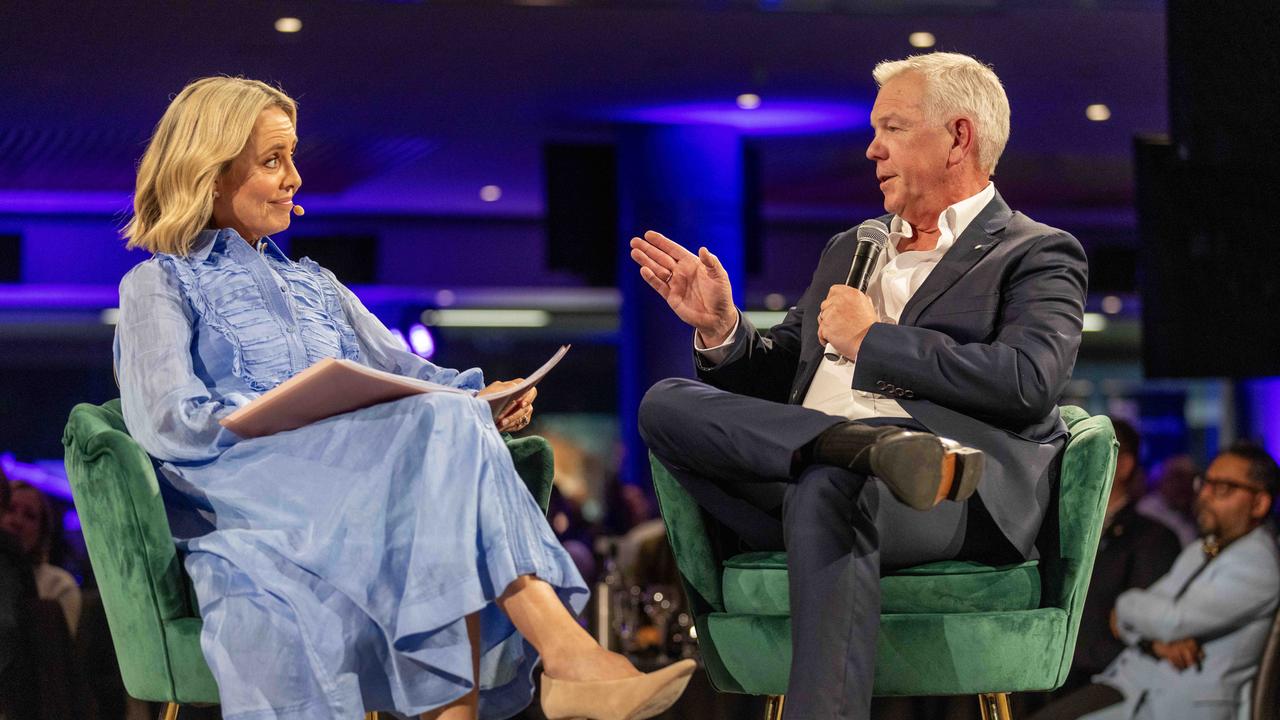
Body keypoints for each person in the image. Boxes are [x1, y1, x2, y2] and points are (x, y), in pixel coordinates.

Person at [113, 77, 693, 720]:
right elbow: (167, 423)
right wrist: (289, 420)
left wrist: (485, 398)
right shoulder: (158, 281)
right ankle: (572, 659)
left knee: (443, 438)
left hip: (353, 484)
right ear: (210, 174)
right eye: (272, 161)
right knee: (435, 446)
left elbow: (410, 372)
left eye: (293, 157)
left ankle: (558, 667)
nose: (295, 178)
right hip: (247, 493)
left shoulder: (318, 285)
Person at [631, 51, 1087, 719]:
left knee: (829, 488)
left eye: (893, 129)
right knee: (664, 401)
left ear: (959, 136)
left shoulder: (1036, 251)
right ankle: (856, 447)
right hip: (807, 470)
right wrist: (726, 330)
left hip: (943, 491)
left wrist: (875, 343)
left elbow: (1028, 381)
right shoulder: (852, 246)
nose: (872, 150)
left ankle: (864, 454)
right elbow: (783, 370)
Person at [1031, 441, 1280, 720]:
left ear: (1259, 503)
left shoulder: (1258, 565)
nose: (1206, 495)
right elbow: (1139, 615)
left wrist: (1129, 608)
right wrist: (1155, 640)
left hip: (1179, 702)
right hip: (1135, 682)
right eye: (1205, 483)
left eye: (1222, 488)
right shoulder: (1204, 548)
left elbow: (1171, 620)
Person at [1048, 420, 1182, 697]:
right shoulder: (1055, 527)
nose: (1072, 464)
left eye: (1086, 454)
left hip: (1109, 681)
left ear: (1123, 465)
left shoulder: (1153, 538)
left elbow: (1144, 625)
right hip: (1047, 671)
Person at [0, 480, 82, 637]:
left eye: (29, 516)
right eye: (10, 509)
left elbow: (52, 652)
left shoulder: (60, 585)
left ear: (42, 531)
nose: (17, 521)